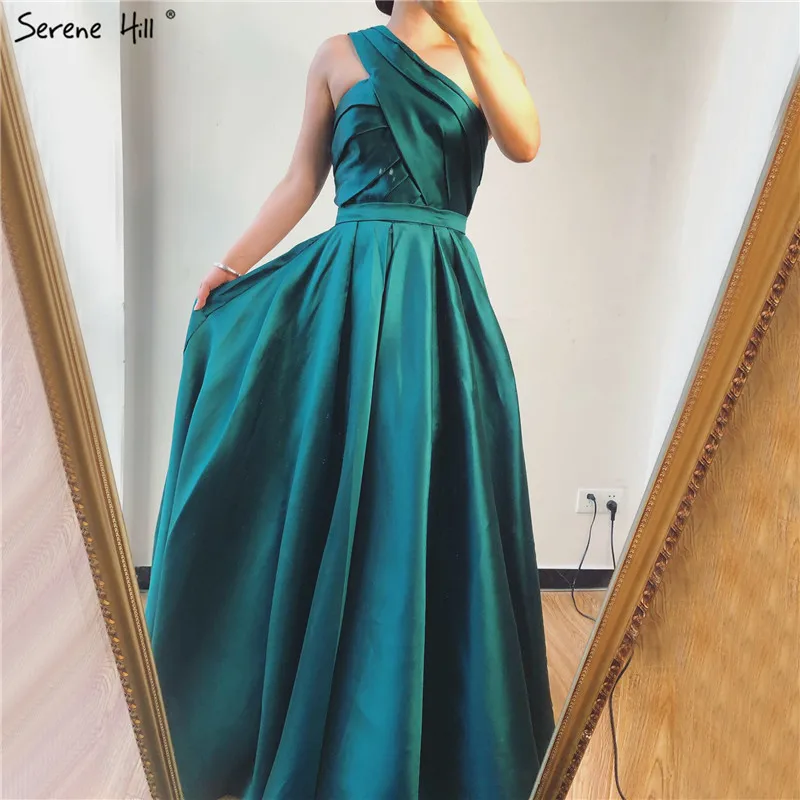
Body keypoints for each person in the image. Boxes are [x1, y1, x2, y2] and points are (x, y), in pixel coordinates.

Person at [144, 1, 555, 798]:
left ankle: (442, 734)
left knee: (429, 491)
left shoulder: (486, 58)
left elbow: (525, 143)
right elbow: (301, 180)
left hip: (438, 305)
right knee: (344, 490)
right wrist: (230, 265)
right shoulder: (336, 54)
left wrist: (473, 28)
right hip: (348, 300)